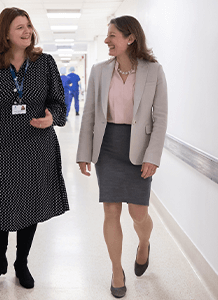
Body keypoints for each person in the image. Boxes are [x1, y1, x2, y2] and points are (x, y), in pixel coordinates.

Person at [0, 7, 69, 289]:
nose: (27, 31)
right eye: (20, 27)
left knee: (28, 204)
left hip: (36, 144)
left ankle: (21, 262)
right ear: (6, 34)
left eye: (28, 26)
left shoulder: (45, 63)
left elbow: (59, 103)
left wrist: (51, 118)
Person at [76, 15, 167, 298]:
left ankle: (143, 244)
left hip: (140, 148)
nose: (107, 40)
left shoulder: (153, 71)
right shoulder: (100, 71)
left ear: (130, 38)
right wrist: (84, 153)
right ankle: (116, 270)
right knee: (111, 210)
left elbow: (161, 117)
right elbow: (90, 113)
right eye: (107, 35)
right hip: (108, 147)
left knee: (138, 213)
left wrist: (153, 155)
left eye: (112, 35)